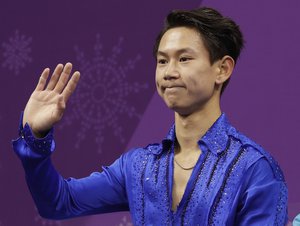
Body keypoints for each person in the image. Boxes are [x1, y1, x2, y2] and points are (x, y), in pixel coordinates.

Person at [12, 7, 288, 226]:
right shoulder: (139, 166)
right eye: (162, 60)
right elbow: (59, 203)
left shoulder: (256, 170)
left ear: (222, 69)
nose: (169, 72)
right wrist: (36, 137)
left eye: (184, 59)